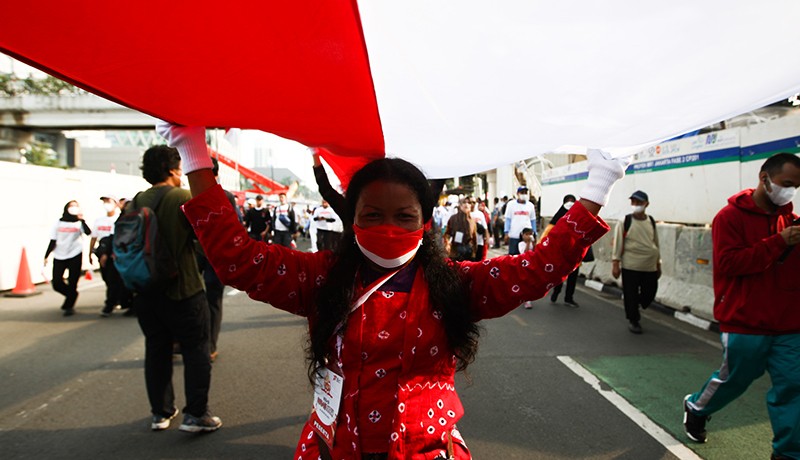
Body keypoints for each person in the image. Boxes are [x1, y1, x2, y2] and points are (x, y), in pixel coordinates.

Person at [158, 121, 627, 459]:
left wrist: (599, 184)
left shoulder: (459, 286)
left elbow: (536, 268)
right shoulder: (319, 279)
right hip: (330, 449)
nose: (388, 227)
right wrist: (192, 151)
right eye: (372, 215)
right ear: (352, 219)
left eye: (403, 217)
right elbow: (238, 259)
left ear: (425, 223)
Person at [683, 153, 800, 459]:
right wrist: (778, 243)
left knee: (795, 386)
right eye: (787, 184)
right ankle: (697, 406)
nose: (791, 192)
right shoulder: (729, 217)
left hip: (788, 324)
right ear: (765, 178)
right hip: (745, 320)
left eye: (797, 187)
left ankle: (788, 452)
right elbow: (729, 263)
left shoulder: (790, 221)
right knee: (735, 379)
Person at [131, 145, 221, 433]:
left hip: (146, 292)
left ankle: (160, 412)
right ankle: (196, 414)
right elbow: (206, 239)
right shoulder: (182, 197)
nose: (182, 174)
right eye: (180, 168)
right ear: (171, 170)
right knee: (196, 349)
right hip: (183, 289)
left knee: (156, 349)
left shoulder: (135, 201)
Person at [199, 157, 240, 361]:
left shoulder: (187, 196)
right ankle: (209, 346)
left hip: (197, 259)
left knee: (200, 302)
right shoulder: (227, 197)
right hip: (216, 259)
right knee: (213, 303)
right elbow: (236, 229)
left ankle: (205, 345)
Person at [611, 190, 660, 334]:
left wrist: (659, 263)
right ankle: (634, 320)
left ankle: (636, 304)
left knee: (649, 293)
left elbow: (656, 243)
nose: (636, 205)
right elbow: (618, 243)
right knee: (630, 293)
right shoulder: (625, 221)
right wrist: (616, 264)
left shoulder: (650, 221)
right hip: (631, 264)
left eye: (639, 202)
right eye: (634, 202)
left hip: (649, 265)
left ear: (646, 204)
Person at [44, 200, 91, 316]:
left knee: (72, 281)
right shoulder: (58, 223)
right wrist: (46, 255)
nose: (73, 208)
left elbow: (88, 232)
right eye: (71, 206)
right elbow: (53, 240)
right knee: (57, 282)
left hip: (75, 253)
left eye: (76, 206)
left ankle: (69, 305)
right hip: (60, 254)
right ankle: (72, 295)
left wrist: (82, 220)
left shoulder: (79, 223)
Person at [90, 196, 133, 317]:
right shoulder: (114, 220)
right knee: (111, 280)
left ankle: (112, 305)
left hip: (125, 255)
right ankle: (121, 302)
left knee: (117, 281)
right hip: (111, 253)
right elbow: (109, 238)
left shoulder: (130, 218)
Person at [544, 194, 582, 307]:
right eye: (568, 201)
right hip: (561, 253)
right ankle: (556, 292)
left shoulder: (578, 217)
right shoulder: (558, 218)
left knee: (573, 277)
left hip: (574, 253)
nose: (570, 203)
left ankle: (569, 298)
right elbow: (549, 234)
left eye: (572, 201)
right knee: (559, 276)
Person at [503, 186, 537, 255]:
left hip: (527, 236)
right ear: (518, 193)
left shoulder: (530, 205)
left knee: (526, 256)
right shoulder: (511, 204)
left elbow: (533, 220)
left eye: (525, 193)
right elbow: (508, 220)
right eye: (522, 192)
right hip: (514, 235)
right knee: (513, 256)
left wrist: (534, 234)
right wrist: (506, 232)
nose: (524, 194)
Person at [443, 198, 478, 262]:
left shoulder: (472, 221)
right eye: (464, 202)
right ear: (460, 205)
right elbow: (447, 233)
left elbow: (474, 238)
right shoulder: (453, 218)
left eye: (469, 203)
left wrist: (474, 253)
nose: (466, 204)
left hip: (468, 251)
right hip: (456, 250)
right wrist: (447, 244)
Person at [517, 227, 536, 310]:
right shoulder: (521, 244)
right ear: (523, 235)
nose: (528, 236)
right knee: (523, 282)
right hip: (523, 266)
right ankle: (523, 297)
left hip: (532, 265)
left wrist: (534, 242)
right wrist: (528, 242)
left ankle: (528, 299)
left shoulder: (533, 243)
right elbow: (525, 253)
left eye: (530, 234)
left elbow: (536, 251)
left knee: (530, 282)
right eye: (526, 234)